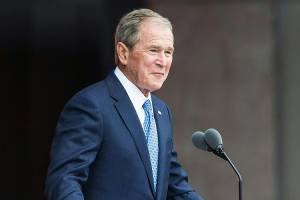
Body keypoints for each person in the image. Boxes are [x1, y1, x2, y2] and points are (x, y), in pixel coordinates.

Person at [45, 8, 204, 200]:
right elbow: (64, 181)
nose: (163, 62)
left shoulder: (161, 111)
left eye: (168, 52)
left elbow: (175, 186)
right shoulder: (91, 105)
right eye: (153, 50)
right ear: (123, 53)